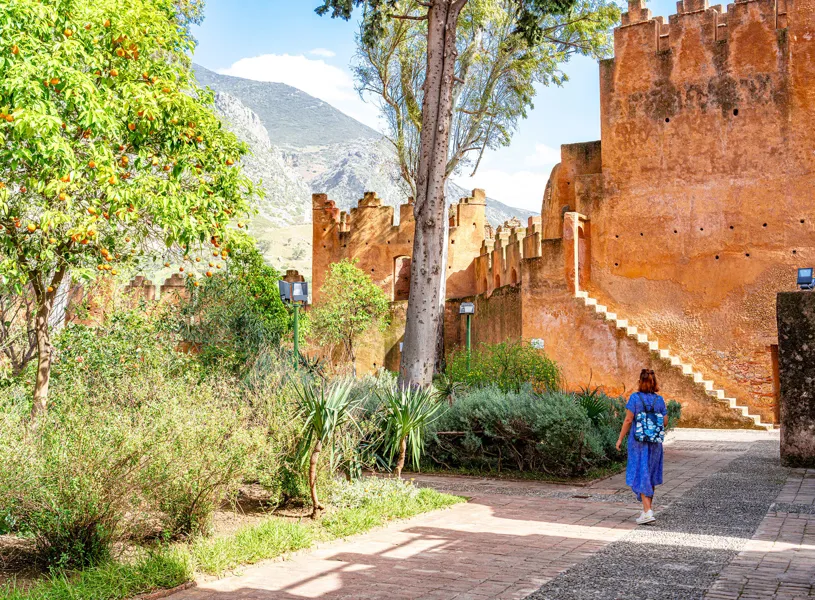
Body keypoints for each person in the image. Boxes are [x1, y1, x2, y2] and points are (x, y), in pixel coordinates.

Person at [615, 368, 667, 525]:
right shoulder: (659, 400)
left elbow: (628, 420)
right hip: (655, 443)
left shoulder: (635, 398)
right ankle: (647, 509)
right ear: (654, 382)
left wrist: (620, 439)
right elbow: (665, 422)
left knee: (641, 472)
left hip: (638, 443)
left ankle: (647, 511)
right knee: (650, 474)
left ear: (640, 381)